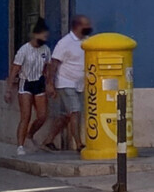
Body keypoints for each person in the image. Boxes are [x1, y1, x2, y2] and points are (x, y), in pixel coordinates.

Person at [43, 15, 93, 151]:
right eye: (86, 25)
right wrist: (50, 84)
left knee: (66, 116)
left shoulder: (87, 41)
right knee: (75, 111)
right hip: (66, 82)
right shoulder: (64, 43)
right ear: (77, 26)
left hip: (80, 84)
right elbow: (54, 63)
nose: (90, 28)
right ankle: (79, 144)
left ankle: (48, 141)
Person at [7, 19, 52, 154]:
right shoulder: (24, 50)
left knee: (42, 116)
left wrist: (49, 83)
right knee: (25, 116)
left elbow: (47, 68)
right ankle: (20, 145)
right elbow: (15, 69)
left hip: (39, 82)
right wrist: (9, 89)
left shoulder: (46, 50)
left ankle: (30, 134)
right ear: (35, 35)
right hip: (26, 83)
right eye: (43, 36)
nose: (44, 39)